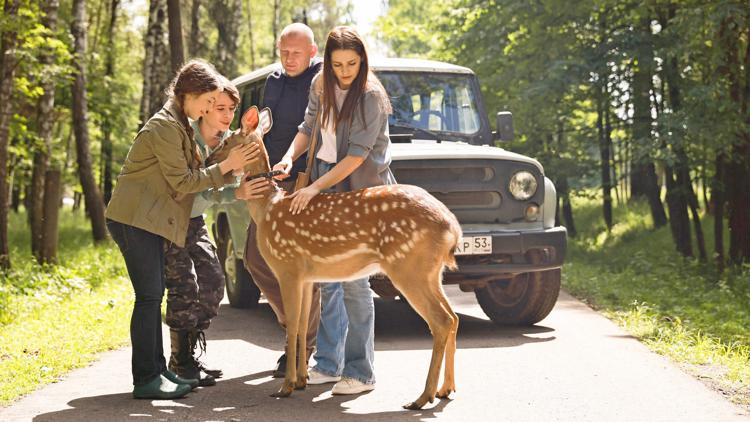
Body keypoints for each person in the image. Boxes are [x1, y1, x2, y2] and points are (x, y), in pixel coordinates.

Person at [105, 60, 258, 400]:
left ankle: (161, 371)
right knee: (148, 298)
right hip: (134, 221)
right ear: (189, 95)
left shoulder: (179, 124)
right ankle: (147, 378)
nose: (207, 109)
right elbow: (184, 180)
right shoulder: (164, 127)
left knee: (153, 295)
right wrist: (228, 167)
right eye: (206, 102)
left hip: (150, 220)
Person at [272, 25, 394, 395]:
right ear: (325, 61)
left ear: (363, 61)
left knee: (355, 283)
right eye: (337, 64)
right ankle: (329, 363)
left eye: (351, 64)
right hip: (325, 177)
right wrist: (288, 157)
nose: (344, 72)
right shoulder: (320, 85)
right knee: (324, 278)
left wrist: (313, 188)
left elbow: (358, 155)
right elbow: (308, 127)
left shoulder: (370, 96)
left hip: (360, 189)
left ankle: (361, 372)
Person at [238, 22, 323, 378]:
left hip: (305, 182)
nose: (289, 59)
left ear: (312, 53)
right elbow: (264, 129)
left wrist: (303, 172)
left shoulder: (322, 79)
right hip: (270, 182)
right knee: (254, 259)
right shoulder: (273, 82)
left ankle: (302, 348)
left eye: (296, 53)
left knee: (306, 273)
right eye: (284, 52)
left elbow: (316, 128)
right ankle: (294, 328)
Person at [164, 78, 242, 387]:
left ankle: (188, 355)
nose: (225, 115)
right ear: (203, 109)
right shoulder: (187, 139)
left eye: (231, 109)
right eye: (218, 107)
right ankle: (179, 362)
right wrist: (229, 187)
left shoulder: (224, 145)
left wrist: (237, 185)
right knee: (185, 285)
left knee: (212, 281)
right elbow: (188, 190)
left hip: (195, 221)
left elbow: (220, 189)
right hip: (172, 219)